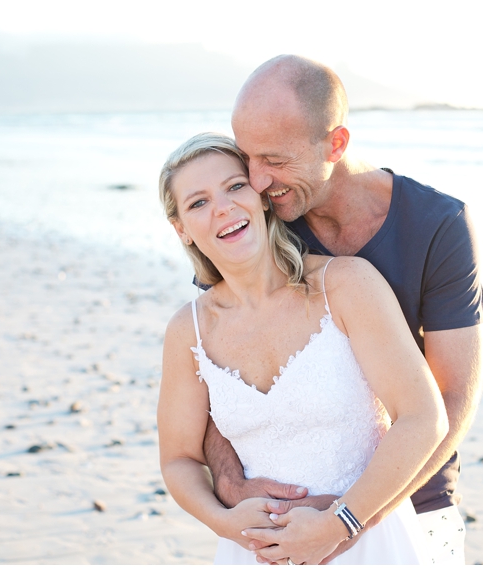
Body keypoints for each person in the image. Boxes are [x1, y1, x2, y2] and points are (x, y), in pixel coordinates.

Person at [204, 55, 483, 564]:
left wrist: (350, 520)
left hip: (415, 504)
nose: (257, 180)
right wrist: (231, 486)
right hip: (279, 520)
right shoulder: (253, 221)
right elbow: (212, 376)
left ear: (335, 144)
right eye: (247, 157)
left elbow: (452, 401)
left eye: (275, 159)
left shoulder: (438, 225)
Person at [157, 132, 450, 564]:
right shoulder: (190, 330)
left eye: (235, 186)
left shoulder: (347, 285)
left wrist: (339, 525)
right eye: (198, 202)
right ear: (181, 228)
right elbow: (179, 459)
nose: (223, 207)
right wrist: (223, 521)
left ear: (261, 197)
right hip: (254, 551)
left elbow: (424, 417)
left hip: (368, 542)